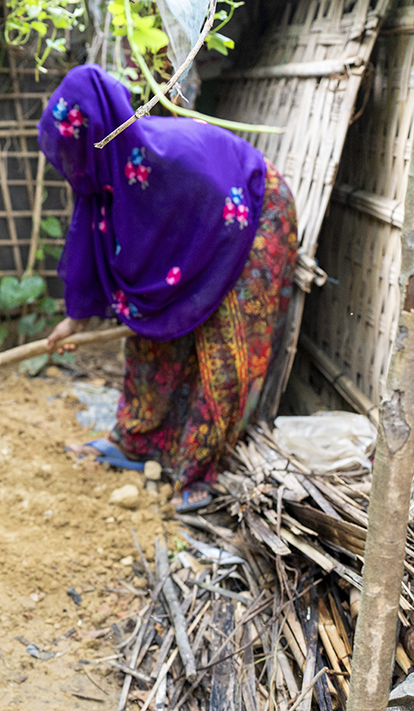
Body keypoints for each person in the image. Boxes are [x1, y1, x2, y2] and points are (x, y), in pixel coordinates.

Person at [40, 64, 298, 511]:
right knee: (149, 326)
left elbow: (224, 222)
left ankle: (199, 470)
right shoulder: (107, 178)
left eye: (74, 150)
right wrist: (74, 320)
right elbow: (94, 247)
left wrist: (195, 295)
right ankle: (139, 443)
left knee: (227, 348)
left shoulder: (171, 162)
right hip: (204, 227)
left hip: (252, 217)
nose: (71, 165)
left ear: (97, 135)